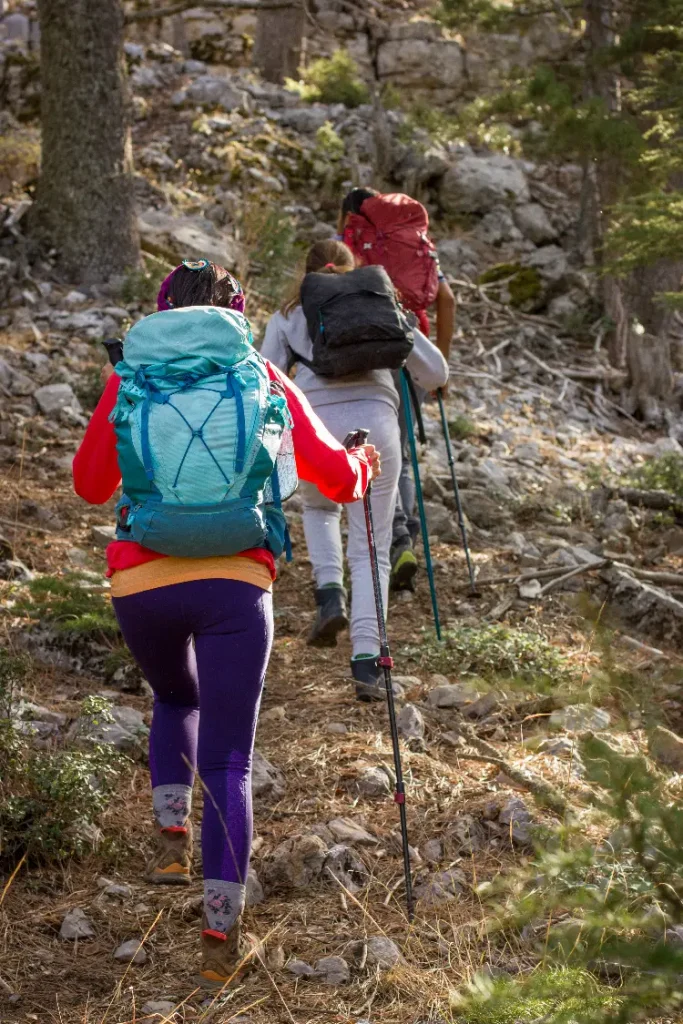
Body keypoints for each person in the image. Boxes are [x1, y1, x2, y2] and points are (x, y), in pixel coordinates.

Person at [73, 260, 379, 988]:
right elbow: (335, 481)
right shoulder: (260, 377)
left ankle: (170, 842)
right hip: (237, 583)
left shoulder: (131, 379)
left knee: (175, 698)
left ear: (159, 310)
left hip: (140, 581)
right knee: (230, 761)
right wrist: (363, 460)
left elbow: (90, 487)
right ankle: (217, 942)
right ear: (237, 310)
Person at [261, 240, 448, 701]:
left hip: (316, 427)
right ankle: (367, 662)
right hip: (378, 424)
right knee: (371, 547)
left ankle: (329, 594)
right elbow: (437, 373)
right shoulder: (381, 305)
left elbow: (265, 376)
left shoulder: (287, 314)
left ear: (305, 275)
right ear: (355, 270)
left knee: (320, 508)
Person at [337, 187, 456, 593]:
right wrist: (440, 362)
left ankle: (398, 539)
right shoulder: (413, 243)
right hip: (414, 348)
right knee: (401, 451)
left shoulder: (348, 244)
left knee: (375, 449)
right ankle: (407, 537)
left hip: (368, 354)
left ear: (349, 217)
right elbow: (448, 299)